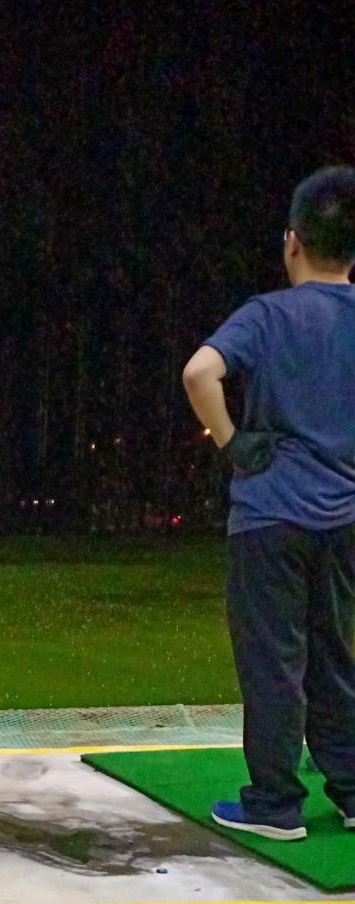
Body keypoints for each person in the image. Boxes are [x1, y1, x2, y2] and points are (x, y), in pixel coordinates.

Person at [182, 166, 355, 842]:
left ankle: (276, 804)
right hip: (344, 519)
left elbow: (200, 372)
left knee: (274, 661)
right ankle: (351, 792)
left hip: (269, 517)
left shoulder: (268, 314)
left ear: (293, 242)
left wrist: (232, 442)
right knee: (336, 657)